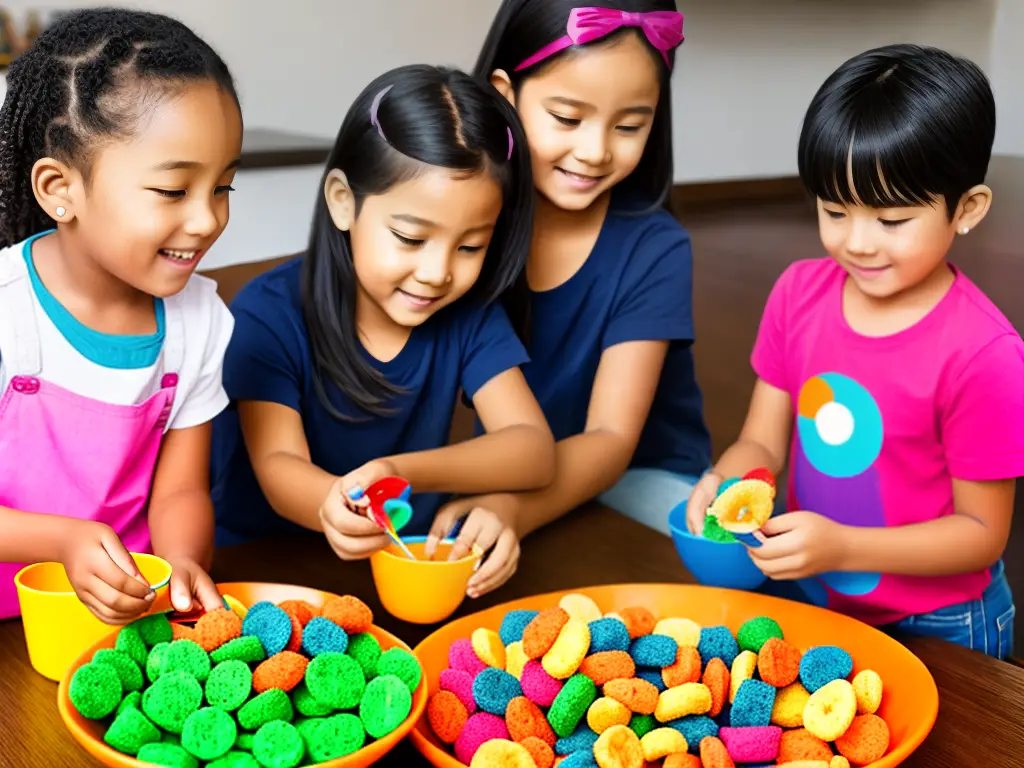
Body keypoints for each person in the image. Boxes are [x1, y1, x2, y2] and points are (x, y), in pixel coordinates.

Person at [686, 44, 1024, 658]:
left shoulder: (986, 354)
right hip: (816, 591)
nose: (858, 242)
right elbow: (762, 442)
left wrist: (844, 545)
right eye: (834, 210)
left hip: (941, 621)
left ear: (967, 210)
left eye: (891, 220)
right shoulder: (797, 293)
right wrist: (727, 479)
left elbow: (981, 535)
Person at [211, 65, 554, 597]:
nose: (438, 272)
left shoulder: (470, 314)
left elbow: (532, 450)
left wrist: (398, 471)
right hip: (263, 572)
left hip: (399, 567)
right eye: (410, 238)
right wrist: (336, 500)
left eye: (470, 246)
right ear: (344, 201)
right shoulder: (270, 311)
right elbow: (280, 467)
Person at [431, 0, 710, 555]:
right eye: (567, 118)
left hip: (639, 476)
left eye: (630, 125)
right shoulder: (463, 227)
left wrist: (517, 508)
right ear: (505, 95)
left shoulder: (654, 248)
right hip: (513, 466)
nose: (595, 150)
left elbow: (612, 439)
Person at [0, 9, 242, 624]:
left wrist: (185, 560)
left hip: (130, 628)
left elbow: (182, 489)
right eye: (173, 190)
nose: (208, 219)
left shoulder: (199, 323)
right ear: (60, 189)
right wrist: (60, 540)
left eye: (223, 187)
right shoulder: (8, 310)